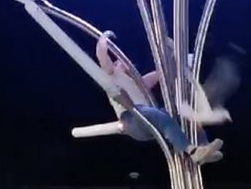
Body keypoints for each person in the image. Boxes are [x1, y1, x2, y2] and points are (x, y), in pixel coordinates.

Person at [95, 31, 223, 165]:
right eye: (117, 62)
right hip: (131, 118)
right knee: (155, 114)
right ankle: (192, 151)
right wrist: (104, 39)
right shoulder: (112, 76)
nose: (122, 62)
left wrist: (176, 56)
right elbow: (101, 56)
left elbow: (162, 73)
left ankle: (205, 148)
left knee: (184, 116)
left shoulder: (140, 83)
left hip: (149, 120)